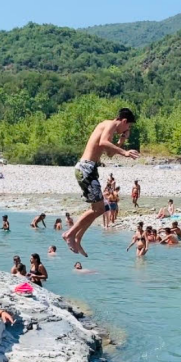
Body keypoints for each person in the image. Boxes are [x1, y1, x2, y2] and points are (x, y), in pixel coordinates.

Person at [61, 109, 138, 257]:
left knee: (98, 208)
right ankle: (70, 234)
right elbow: (103, 142)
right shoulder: (109, 124)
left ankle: (77, 237)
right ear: (124, 121)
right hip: (86, 168)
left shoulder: (111, 129)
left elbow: (109, 153)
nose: (128, 129)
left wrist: (122, 141)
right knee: (99, 209)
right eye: (129, 127)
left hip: (89, 169)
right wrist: (125, 152)